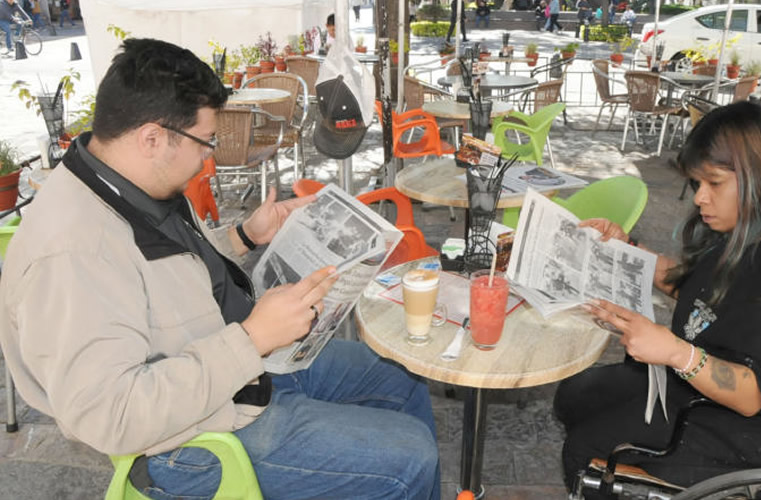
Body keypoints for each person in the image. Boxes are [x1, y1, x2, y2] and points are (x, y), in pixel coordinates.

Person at [0, 38, 441, 500]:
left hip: (234, 362)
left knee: (397, 378)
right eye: (203, 142)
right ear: (151, 137)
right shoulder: (72, 254)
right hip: (187, 438)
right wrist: (252, 339)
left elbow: (160, 273)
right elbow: (111, 415)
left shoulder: (122, 180)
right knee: (411, 457)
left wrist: (243, 236)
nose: (209, 156)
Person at [555, 102, 761, 495]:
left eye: (714, 183)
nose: (699, 198)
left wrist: (676, 351)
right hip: (698, 389)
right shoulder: (747, 233)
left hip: (749, 436)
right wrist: (624, 248)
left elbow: (752, 395)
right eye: (697, 184)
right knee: (575, 395)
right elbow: (692, 284)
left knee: (584, 448)